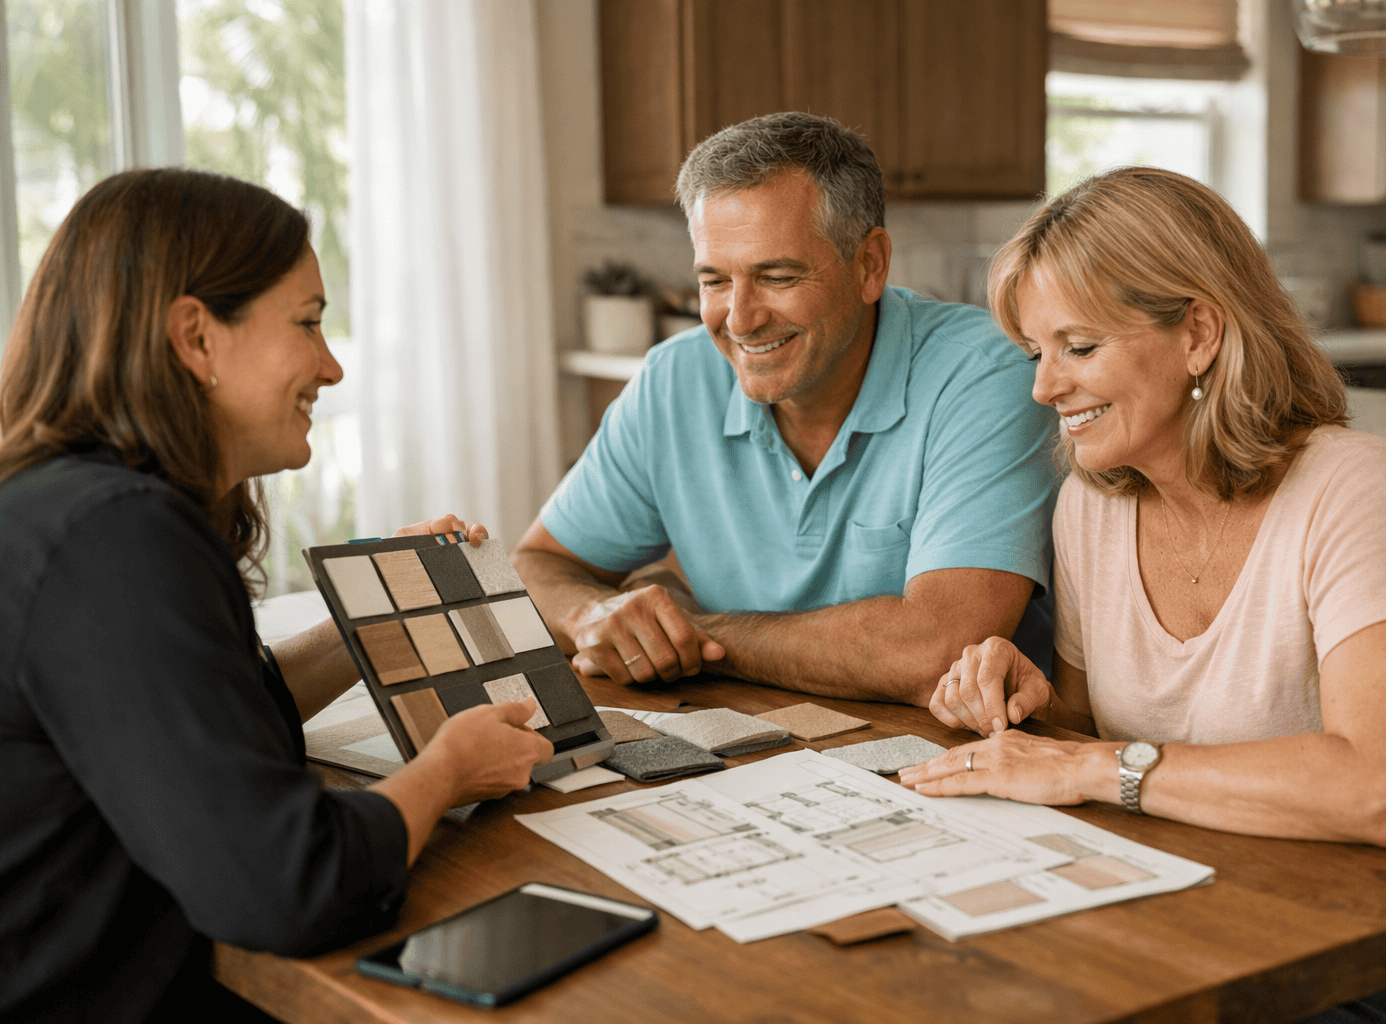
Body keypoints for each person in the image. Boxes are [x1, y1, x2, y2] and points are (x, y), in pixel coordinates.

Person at [898, 166, 1386, 1021]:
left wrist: (1088, 766)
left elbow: (1379, 792)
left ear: (1198, 332)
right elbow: (1098, 745)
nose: (1045, 388)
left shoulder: (1358, 490)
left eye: (1078, 348)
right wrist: (1029, 704)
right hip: (1245, 916)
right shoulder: (1093, 503)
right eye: (1036, 353)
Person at [0, 168, 554, 1023]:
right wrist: (447, 769)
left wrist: (374, 605)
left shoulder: (65, 508)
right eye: (307, 323)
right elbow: (287, 886)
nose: (331, 366)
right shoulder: (117, 539)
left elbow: (199, 719)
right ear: (197, 338)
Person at [514, 112, 1058, 714]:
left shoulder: (986, 374)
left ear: (870, 264)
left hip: (954, 758)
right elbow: (538, 565)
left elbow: (938, 649)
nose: (741, 319)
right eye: (715, 281)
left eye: (776, 276)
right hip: (750, 739)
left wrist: (693, 630)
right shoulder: (673, 379)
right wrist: (591, 613)